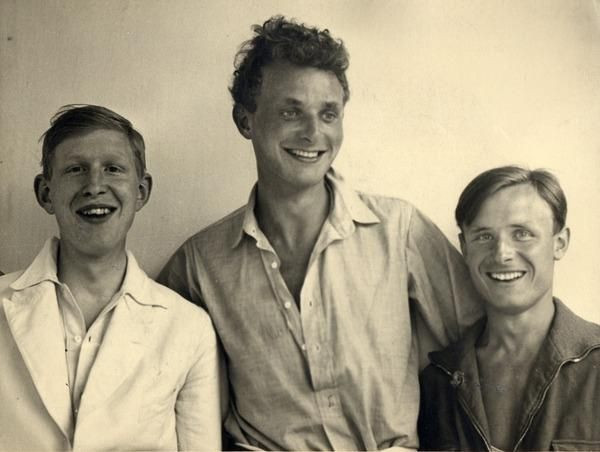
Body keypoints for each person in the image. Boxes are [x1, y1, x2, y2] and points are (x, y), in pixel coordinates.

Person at [158, 16, 481, 450]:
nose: (314, 133)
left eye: (328, 114)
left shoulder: (399, 231)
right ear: (245, 120)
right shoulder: (200, 262)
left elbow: (487, 346)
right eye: (291, 111)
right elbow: (159, 387)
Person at [0, 105, 221, 450]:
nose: (94, 186)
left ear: (141, 191)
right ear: (45, 193)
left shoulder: (188, 328)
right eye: (75, 169)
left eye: (113, 169)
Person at [418, 166, 600, 451]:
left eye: (522, 233)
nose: (502, 253)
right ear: (464, 247)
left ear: (560, 243)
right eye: (484, 236)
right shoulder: (437, 382)